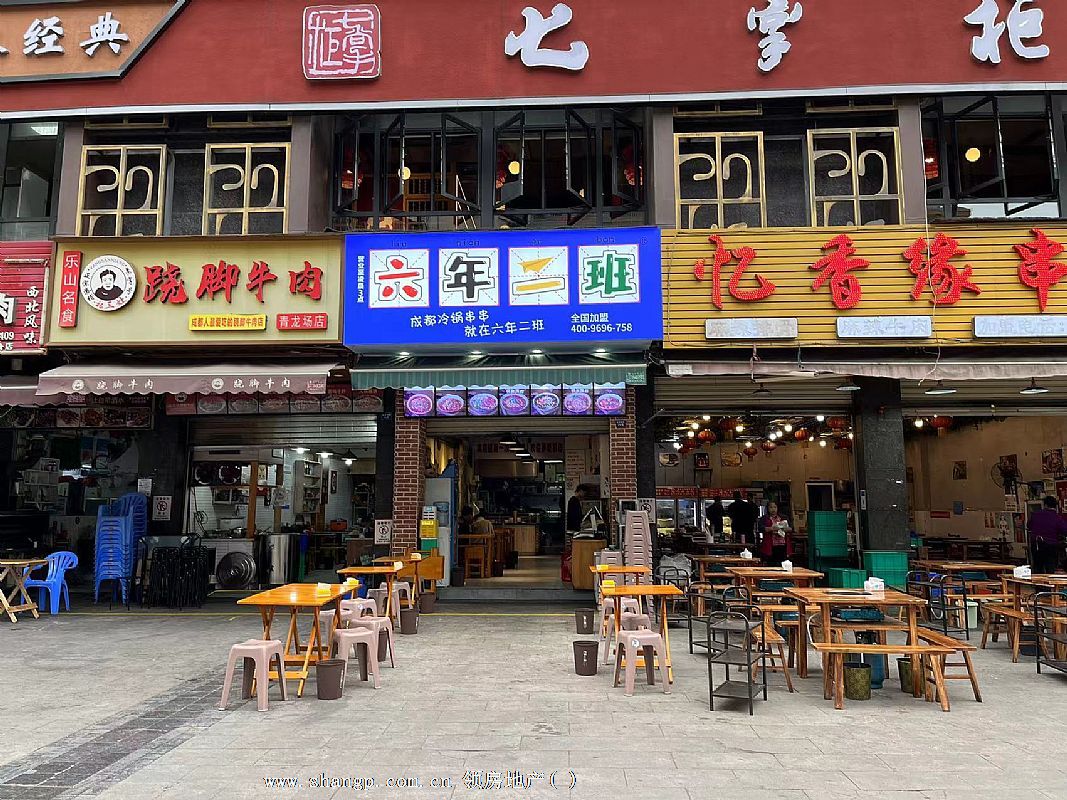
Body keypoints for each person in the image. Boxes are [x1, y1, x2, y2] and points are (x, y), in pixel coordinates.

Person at [1028, 496, 1067, 573]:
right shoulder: (1057, 517)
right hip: (1050, 546)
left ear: (1045, 505)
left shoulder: (1035, 514)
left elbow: (1029, 526)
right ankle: (1049, 580)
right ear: (1055, 506)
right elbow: (1065, 530)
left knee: (1038, 567)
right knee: (1050, 567)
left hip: (1036, 545)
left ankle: (1038, 580)